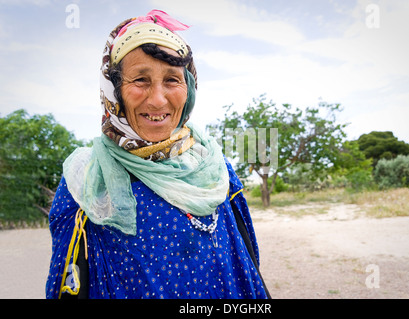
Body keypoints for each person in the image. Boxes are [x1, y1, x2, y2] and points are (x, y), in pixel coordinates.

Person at [46, 10, 270, 299]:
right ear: (114, 90)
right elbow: (65, 284)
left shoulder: (215, 167)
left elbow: (247, 264)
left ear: (189, 88)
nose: (157, 99)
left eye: (172, 80)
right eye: (140, 79)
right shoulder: (88, 178)